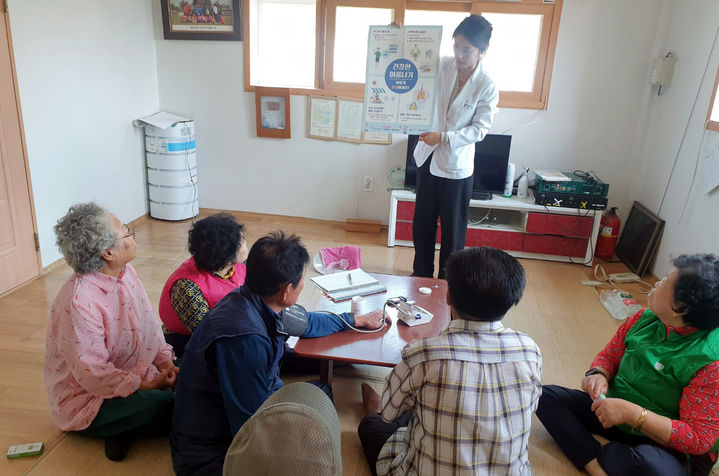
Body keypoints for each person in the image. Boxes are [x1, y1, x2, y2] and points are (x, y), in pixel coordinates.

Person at [170, 231, 387, 475]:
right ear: (286, 290)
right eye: (302, 280)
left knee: (321, 393)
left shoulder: (254, 298)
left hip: (246, 411)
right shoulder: (244, 340)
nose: (303, 285)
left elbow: (307, 323)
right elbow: (248, 426)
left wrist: (355, 319)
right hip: (210, 457)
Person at [358, 247, 542, 475]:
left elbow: (387, 413)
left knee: (373, 424)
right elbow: (531, 405)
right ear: (513, 299)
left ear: (448, 295)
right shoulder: (529, 351)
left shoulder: (423, 354)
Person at [536, 254, 719, 476]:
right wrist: (598, 374)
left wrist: (634, 415)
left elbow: (699, 438)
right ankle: (597, 464)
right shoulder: (644, 318)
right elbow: (609, 355)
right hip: (611, 413)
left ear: (679, 308)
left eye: (664, 282)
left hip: (659, 441)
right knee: (545, 397)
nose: (657, 283)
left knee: (654, 469)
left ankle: (592, 450)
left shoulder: (710, 361)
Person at [44, 203, 178, 461]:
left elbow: (149, 323)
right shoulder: (80, 302)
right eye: (126, 231)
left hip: (133, 371)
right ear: (108, 252)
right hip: (90, 397)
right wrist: (149, 385)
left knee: (197, 368)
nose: (131, 233)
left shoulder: (125, 272)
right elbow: (93, 374)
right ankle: (118, 425)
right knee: (166, 405)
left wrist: (166, 364)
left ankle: (124, 426)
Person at [411, 15, 499, 278]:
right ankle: (420, 279)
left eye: (467, 49)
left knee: (453, 234)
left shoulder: (487, 86)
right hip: (428, 158)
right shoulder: (444, 66)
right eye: (457, 46)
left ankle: (447, 288)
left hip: (456, 168)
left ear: (483, 50)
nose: (459, 54)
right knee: (422, 227)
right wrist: (397, 38)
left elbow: (480, 130)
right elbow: (413, 62)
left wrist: (445, 137)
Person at [159, 213, 248, 358]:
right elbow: (206, 336)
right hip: (193, 343)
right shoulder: (187, 287)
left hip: (235, 324)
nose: (245, 241)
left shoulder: (237, 264)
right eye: (242, 240)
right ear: (226, 259)